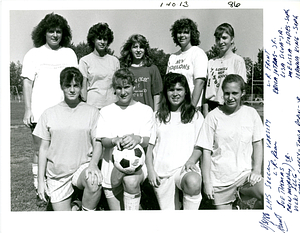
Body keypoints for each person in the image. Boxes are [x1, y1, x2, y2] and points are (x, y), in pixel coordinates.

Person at [21, 13, 78, 201]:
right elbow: (27, 83)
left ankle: (66, 187)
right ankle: (39, 187)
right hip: (40, 113)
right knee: (40, 151)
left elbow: (74, 81)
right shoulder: (33, 54)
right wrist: (28, 110)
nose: (55, 35)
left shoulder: (69, 53)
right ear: (43, 33)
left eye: (58, 31)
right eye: (51, 31)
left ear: (64, 34)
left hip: (65, 112)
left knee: (65, 151)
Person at [33, 67, 102, 211]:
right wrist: (40, 181)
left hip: (82, 168)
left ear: (81, 87)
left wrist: (94, 164)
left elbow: (98, 142)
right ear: (61, 86)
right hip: (58, 175)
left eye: (76, 85)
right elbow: (43, 149)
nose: (72, 90)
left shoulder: (92, 112)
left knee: (94, 181)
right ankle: (75, 204)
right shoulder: (49, 114)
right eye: (68, 85)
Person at [198, 74, 264, 210]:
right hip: (221, 180)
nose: (230, 97)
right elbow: (206, 151)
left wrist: (257, 170)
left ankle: (248, 211)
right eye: (227, 93)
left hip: (245, 177)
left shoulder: (251, 113)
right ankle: (237, 206)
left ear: (242, 93)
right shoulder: (213, 117)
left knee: (270, 193)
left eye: (235, 93)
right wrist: (207, 183)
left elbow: (257, 144)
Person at [95, 68, 154, 210]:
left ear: (134, 86)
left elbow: (146, 140)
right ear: (114, 89)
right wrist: (114, 140)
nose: (123, 92)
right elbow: (103, 140)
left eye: (127, 87)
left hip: (136, 167)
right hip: (111, 168)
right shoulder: (106, 111)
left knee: (131, 181)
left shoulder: (145, 110)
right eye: (119, 88)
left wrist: (137, 138)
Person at [146, 72, 203, 210]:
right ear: (166, 92)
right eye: (171, 90)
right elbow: (149, 147)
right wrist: (151, 170)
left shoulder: (195, 115)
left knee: (193, 182)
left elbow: (201, 145)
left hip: (185, 168)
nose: (175, 93)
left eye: (179, 89)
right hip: (162, 171)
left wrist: (191, 161)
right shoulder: (157, 116)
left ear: (185, 92)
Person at [203, 23, 247, 117]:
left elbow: (241, 90)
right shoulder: (211, 62)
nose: (221, 41)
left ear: (232, 39)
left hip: (229, 107)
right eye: (218, 39)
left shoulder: (238, 61)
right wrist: (205, 111)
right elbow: (206, 90)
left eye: (224, 38)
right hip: (212, 107)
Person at [167, 18, 208, 109]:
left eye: (185, 32)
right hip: (173, 107)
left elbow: (200, 82)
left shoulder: (198, 53)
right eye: (179, 32)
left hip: (190, 106)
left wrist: (192, 107)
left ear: (191, 34)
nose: (182, 35)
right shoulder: (173, 57)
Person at [79, 22, 120, 109]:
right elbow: (83, 88)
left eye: (105, 39)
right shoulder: (85, 61)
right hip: (92, 105)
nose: (102, 42)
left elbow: (118, 85)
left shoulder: (114, 61)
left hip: (111, 106)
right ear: (93, 40)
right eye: (99, 39)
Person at [119, 34, 163, 111]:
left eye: (141, 47)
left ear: (145, 50)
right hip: (129, 112)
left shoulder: (152, 69)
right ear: (130, 49)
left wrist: (155, 113)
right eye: (135, 47)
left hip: (148, 113)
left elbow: (157, 94)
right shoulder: (124, 70)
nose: (138, 50)